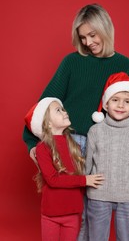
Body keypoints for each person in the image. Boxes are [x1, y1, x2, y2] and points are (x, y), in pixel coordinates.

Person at [23, 3, 129, 240]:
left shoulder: (124, 64)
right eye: (83, 37)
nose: (88, 42)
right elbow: (45, 104)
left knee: (96, 210)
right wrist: (31, 142)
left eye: (92, 35)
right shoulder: (71, 62)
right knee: (75, 212)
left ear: (105, 29)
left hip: (109, 146)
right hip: (74, 144)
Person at [24, 97, 104, 241]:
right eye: (58, 110)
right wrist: (85, 180)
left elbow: (92, 164)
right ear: (48, 123)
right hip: (51, 214)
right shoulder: (43, 148)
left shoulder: (74, 145)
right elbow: (53, 180)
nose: (64, 112)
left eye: (63, 109)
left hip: (73, 213)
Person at [85, 72, 129, 241]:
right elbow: (85, 166)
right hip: (98, 195)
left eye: (127, 101)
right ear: (106, 104)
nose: (121, 105)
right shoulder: (95, 131)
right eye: (115, 99)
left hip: (128, 198)